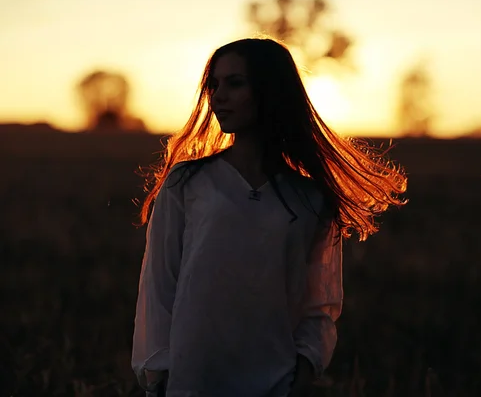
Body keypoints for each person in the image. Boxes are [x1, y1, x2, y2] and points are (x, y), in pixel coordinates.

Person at [131, 37, 407, 397]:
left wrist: (306, 365)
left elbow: (320, 301)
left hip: (274, 380)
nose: (219, 97)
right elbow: (159, 284)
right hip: (192, 376)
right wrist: (160, 369)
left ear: (269, 90)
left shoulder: (309, 198)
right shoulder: (187, 182)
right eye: (214, 85)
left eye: (235, 83)